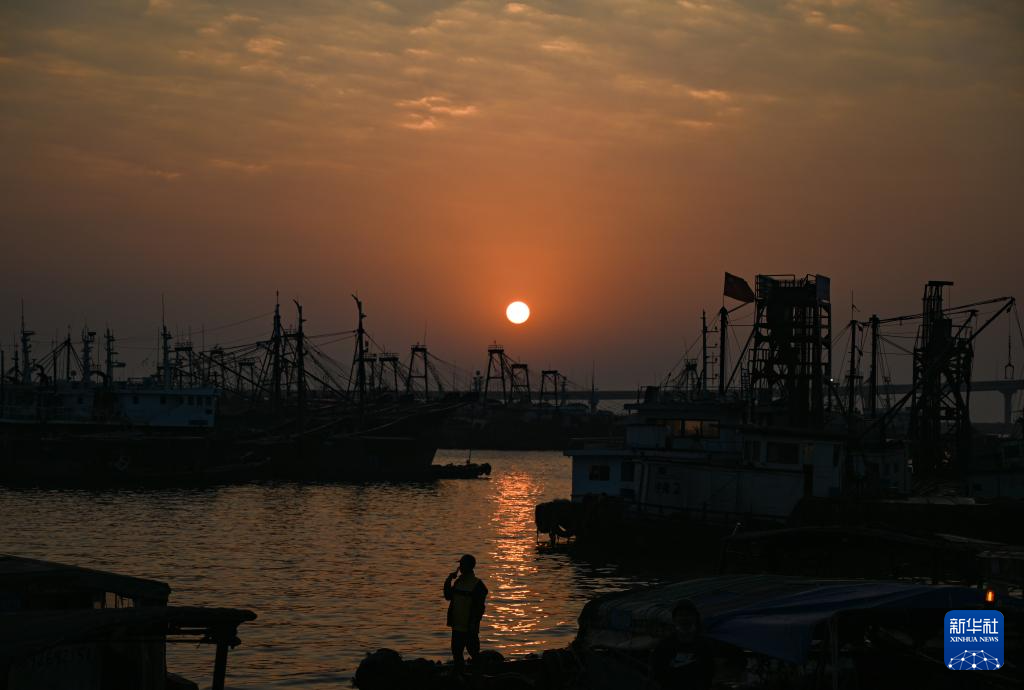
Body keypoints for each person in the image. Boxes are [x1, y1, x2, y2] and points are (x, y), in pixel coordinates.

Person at [649, 601, 713, 689]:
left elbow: (709, 670)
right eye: (680, 615)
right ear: (674, 619)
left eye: (688, 615)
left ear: (695, 618)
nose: (684, 619)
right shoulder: (665, 644)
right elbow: (658, 671)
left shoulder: (704, 644)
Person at [443, 554, 488, 671]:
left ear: (468, 566)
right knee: (457, 655)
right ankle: (461, 676)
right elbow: (448, 596)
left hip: (469, 628)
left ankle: (478, 676)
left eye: (462, 565)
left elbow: (480, 609)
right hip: (457, 627)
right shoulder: (458, 582)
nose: (459, 567)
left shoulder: (478, 585)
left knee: (474, 654)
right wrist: (449, 579)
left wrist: (473, 623)